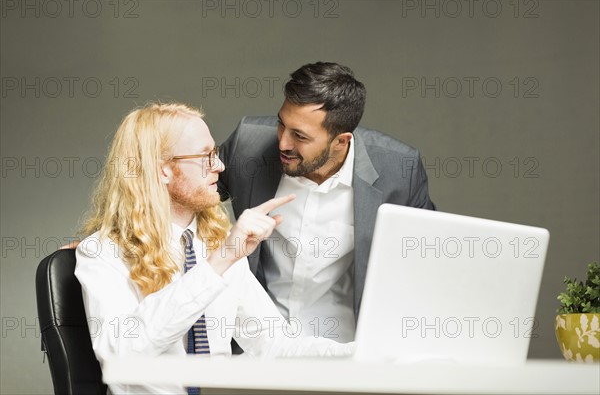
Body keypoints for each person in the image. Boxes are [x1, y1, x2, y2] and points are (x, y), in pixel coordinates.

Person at [74, 103, 353, 395]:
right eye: (205, 156)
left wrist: (361, 353)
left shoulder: (217, 243)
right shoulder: (102, 253)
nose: (219, 166)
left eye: (215, 154)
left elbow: (275, 345)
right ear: (163, 170)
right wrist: (219, 263)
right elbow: (121, 354)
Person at [218, 62, 435, 343]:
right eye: (281, 124)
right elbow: (183, 193)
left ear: (341, 141)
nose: (283, 143)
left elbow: (426, 266)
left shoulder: (399, 170)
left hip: (345, 352)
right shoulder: (247, 145)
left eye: (300, 136)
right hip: (255, 348)